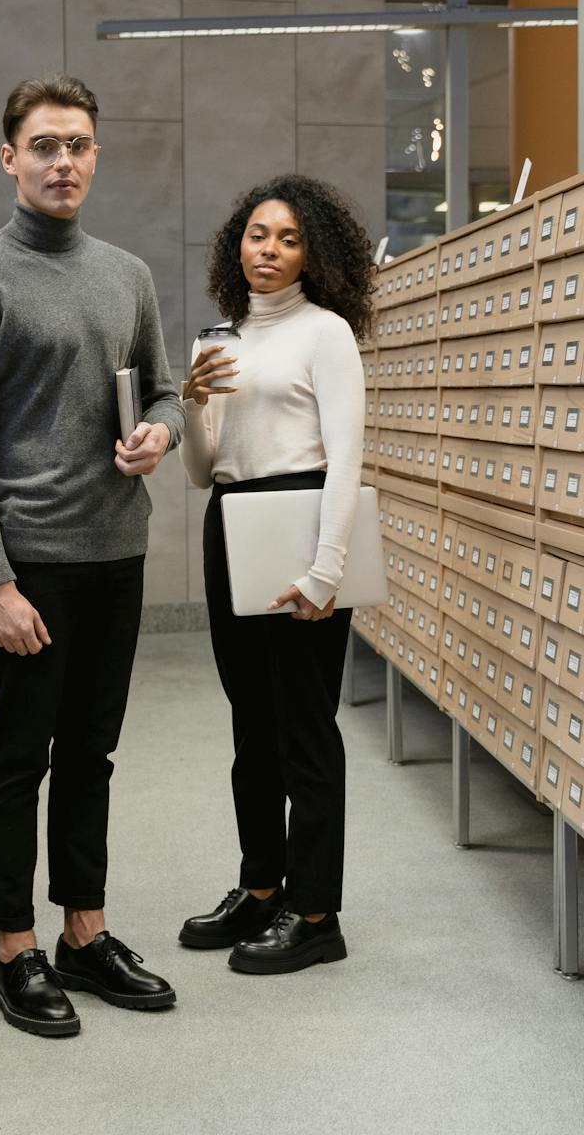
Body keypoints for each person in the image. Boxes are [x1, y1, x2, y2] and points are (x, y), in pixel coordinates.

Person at [0, 74, 186, 1037]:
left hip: (116, 553)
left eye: (77, 144)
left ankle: (85, 933)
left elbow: (164, 391)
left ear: (96, 154)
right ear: (11, 158)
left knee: (92, 752)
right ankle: (14, 950)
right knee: (18, 756)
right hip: (29, 565)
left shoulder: (127, 276)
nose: (62, 161)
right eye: (44, 145)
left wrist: (159, 434)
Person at [176, 174, 373, 975]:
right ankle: (262, 888)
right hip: (230, 521)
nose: (271, 250)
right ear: (238, 243)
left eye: (290, 238)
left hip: (300, 527)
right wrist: (189, 404)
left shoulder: (326, 333)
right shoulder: (215, 341)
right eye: (260, 234)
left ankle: (316, 909)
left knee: (305, 730)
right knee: (251, 724)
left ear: (313, 254)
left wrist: (326, 571)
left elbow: (346, 458)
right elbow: (200, 470)